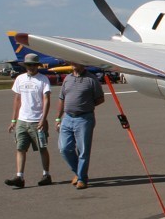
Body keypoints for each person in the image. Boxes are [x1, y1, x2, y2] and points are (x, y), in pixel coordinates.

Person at [55, 62, 106, 189]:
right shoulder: (67, 79)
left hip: (84, 118)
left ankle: (82, 178)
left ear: (82, 64)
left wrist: (86, 105)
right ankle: (78, 172)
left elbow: (100, 98)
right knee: (64, 148)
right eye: (71, 62)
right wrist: (58, 117)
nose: (72, 64)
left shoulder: (91, 79)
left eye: (75, 61)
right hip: (67, 118)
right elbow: (62, 98)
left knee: (83, 150)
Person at [6, 53, 53, 188]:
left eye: (33, 65)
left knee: (42, 148)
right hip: (22, 120)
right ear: (25, 66)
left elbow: (46, 99)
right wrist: (13, 120)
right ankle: (19, 176)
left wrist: (43, 119)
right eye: (29, 65)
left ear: (37, 66)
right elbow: (17, 99)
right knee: (20, 148)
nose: (31, 67)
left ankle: (46, 174)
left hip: (37, 120)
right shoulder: (20, 79)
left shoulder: (43, 79)